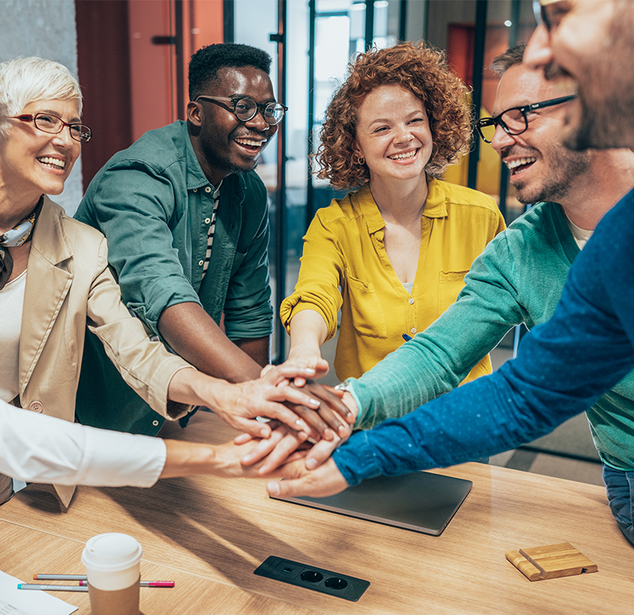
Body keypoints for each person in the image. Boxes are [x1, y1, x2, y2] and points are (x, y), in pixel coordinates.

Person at [0, 46, 301, 604]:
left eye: (74, 126)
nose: (64, 140)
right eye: (44, 120)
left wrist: (226, 396)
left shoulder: (81, 248)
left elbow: (137, 351)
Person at [266, 0, 634, 547]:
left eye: (522, 117)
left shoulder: (483, 215)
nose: (503, 140)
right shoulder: (523, 251)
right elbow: (489, 377)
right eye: (497, 124)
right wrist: (348, 416)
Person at [74, 43, 350, 437]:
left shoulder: (248, 190)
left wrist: (264, 414)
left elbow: (250, 309)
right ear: (196, 113)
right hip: (97, 412)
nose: (260, 123)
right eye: (241, 107)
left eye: (269, 110)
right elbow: (162, 294)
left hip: (183, 407)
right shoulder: (137, 177)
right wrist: (266, 390)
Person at [279, 43, 504, 383]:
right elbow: (314, 296)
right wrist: (304, 349)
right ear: (355, 144)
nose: (404, 137)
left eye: (415, 121)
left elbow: (517, 299)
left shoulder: (480, 215)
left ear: (434, 126)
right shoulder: (335, 225)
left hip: (464, 421)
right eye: (382, 128)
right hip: (373, 422)